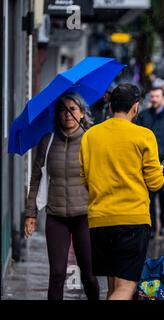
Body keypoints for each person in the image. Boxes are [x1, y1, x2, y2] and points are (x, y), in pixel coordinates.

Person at [79, 84, 164, 300]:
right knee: (126, 288)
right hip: (132, 222)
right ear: (135, 107)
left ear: (110, 107)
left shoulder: (91, 136)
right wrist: (159, 171)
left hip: (100, 221)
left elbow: (85, 179)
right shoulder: (144, 136)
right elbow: (155, 184)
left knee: (113, 288)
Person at [24, 92, 99, 300]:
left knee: (90, 275)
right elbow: (36, 179)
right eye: (62, 110)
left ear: (82, 113)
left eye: (72, 109)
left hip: (86, 216)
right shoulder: (48, 141)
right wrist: (30, 213)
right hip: (56, 216)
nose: (67, 114)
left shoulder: (91, 140)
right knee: (56, 273)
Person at [135, 87, 164, 238]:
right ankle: (152, 227)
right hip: (147, 162)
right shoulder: (142, 116)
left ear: (163, 97)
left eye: (157, 96)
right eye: (152, 96)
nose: (154, 99)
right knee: (148, 196)